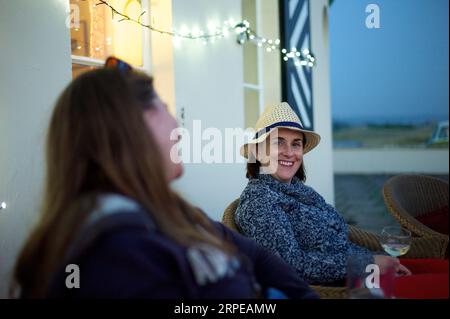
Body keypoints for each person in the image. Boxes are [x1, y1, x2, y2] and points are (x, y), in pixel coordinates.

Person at [10, 58, 318, 299]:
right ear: (131, 128)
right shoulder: (113, 253)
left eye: (295, 144)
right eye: (165, 110)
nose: (177, 125)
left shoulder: (176, 211)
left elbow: (257, 255)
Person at [235, 102, 448, 298]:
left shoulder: (298, 190)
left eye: (296, 144)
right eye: (278, 143)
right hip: (346, 286)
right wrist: (370, 263)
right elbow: (291, 266)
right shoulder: (259, 202)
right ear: (257, 151)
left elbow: (340, 238)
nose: (289, 153)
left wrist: (378, 259)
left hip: (363, 267)